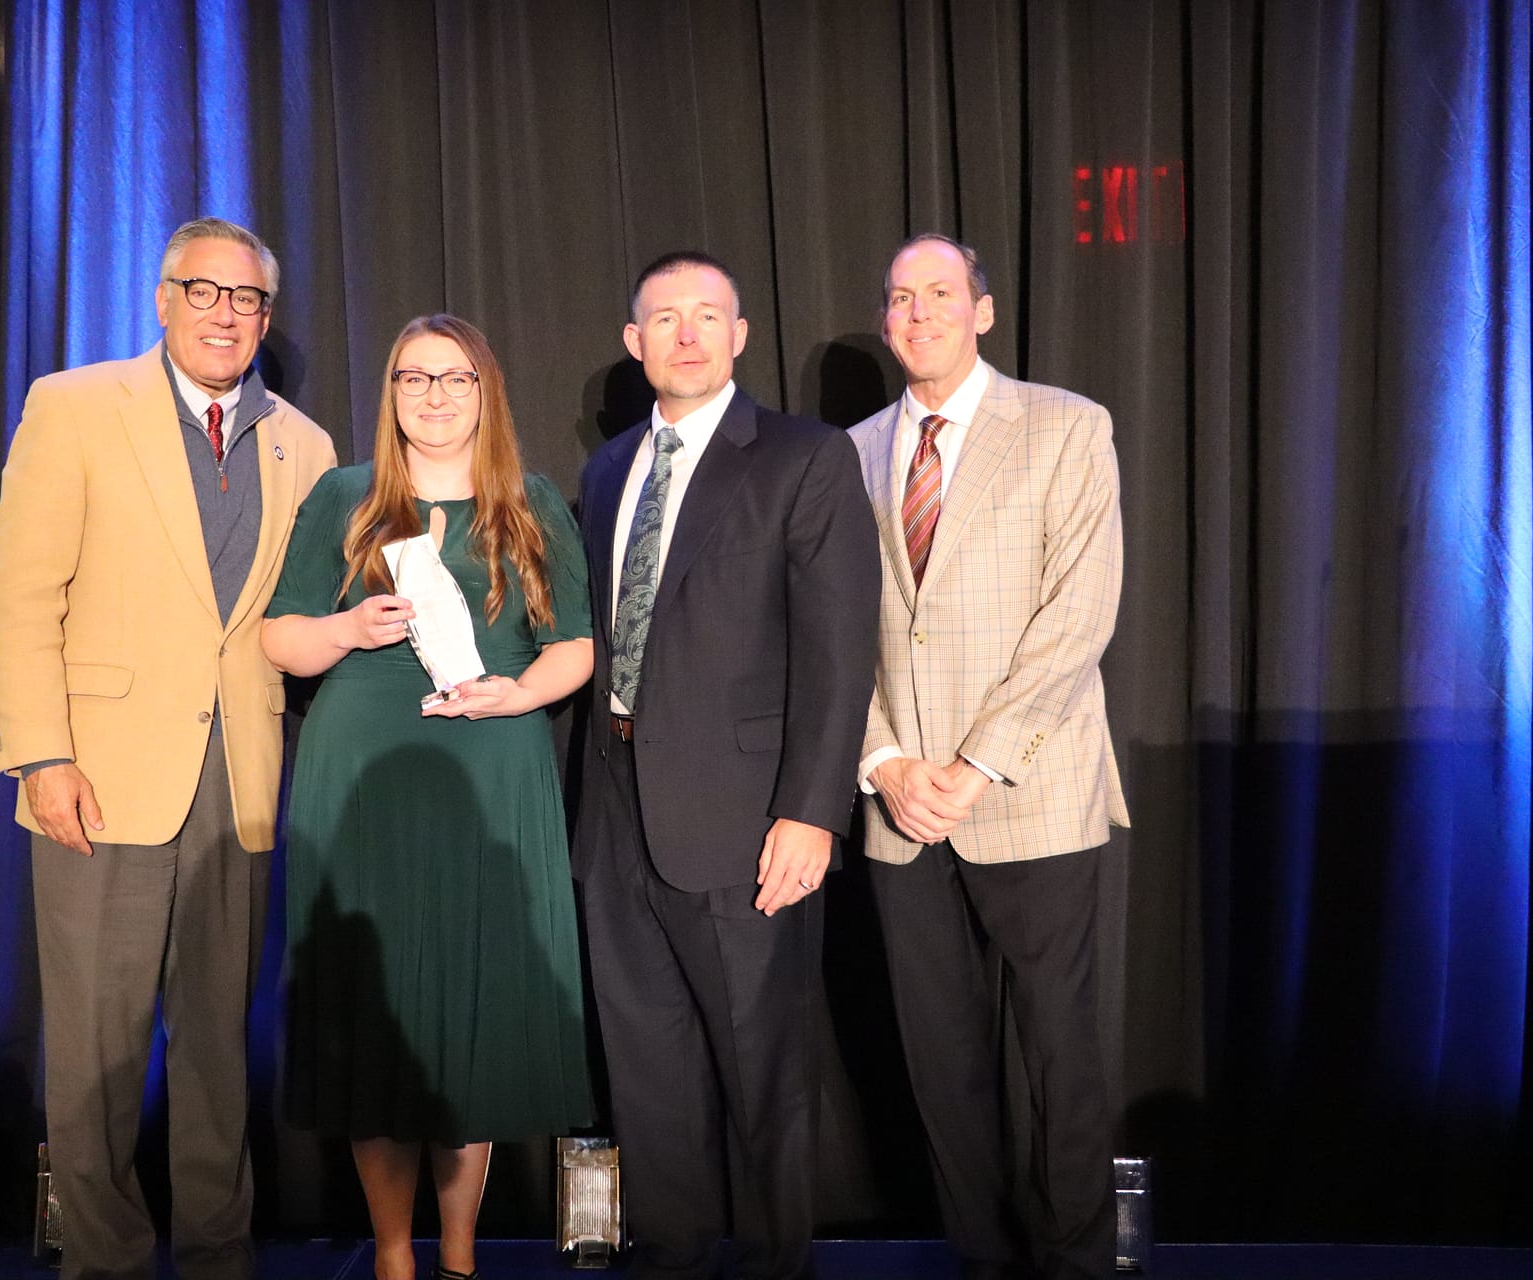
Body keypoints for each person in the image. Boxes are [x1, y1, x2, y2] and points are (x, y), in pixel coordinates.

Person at [0, 217, 335, 1280]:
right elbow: (20, 594)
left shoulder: (304, 444)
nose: (226, 314)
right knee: (94, 1055)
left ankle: (219, 1257)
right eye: (205, 291)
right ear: (163, 298)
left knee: (220, 1050)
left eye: (247, 300)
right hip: (98, 776)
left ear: (268, 318)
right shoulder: (76, 405)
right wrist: (41, 754)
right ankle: (105, 1261)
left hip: (242, 786)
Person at [261, 314, 596, 1280]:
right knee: (381, 1014)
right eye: (415, 378)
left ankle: (459, 1256)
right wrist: (349, 629)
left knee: (470, 1014)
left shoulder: (529, 502)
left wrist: (519, 691)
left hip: (490, 773)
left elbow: (573, 643)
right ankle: (394, 1257)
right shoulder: (345, 498)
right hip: (364, 776)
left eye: (456, 379)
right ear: (392, 394)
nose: (436, 396)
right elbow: (280, 639)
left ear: (486, 392)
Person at [572, 251, 879, 1280]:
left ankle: (773, 1261)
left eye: (709, 315)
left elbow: (841, 651)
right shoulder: (609, 468)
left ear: (740, 334)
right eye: (665, 317)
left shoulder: (802, 456)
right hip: (616, 807)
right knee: (647, 1064)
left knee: (764, 1071)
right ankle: (667, 1253)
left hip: (749, 819)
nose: (688, 333)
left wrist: (812, 810)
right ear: (635, 341)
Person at [849, 233, 1129, 1280]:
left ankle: (1075, 1265)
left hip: (1032, 790)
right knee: (942, 1069)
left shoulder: (1064, 426)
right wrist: (884, 761)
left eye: (938, 293)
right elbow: (833, 633)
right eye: (898, 296)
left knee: (1061, 1062)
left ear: (983, 309)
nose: (916, 312)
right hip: (898, 807)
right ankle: (983, 1262)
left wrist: (974, 762)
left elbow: (1080, 612)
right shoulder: (852, 448)